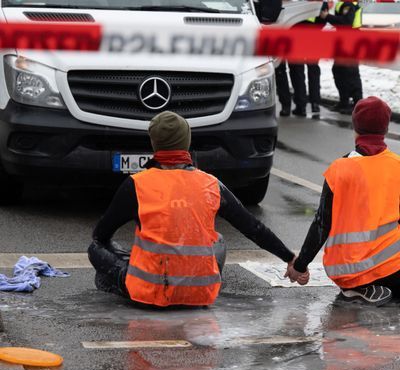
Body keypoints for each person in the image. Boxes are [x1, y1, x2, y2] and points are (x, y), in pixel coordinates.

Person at [88, 111, 295, 307]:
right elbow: (253, 227)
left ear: (154, 144)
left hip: (150, 294)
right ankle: (197, 284)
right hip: (201, 293)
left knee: (96, 249)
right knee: (219, 240)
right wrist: (290, 259)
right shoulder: (210, 184)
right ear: (186, 142)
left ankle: (128, 283)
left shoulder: (137, 184)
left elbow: (101, 234)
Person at [286, 97, 400, 306]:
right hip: (393, 268)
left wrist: (300, 266)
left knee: (361, 277)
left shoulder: (341, 169)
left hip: (350, 270)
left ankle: (358, 289)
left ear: (355, 127)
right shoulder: (397, 165)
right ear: (385, 130)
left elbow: (321, 224)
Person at [319, 0, 363, 114]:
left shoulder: (348, 5)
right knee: (339, 71)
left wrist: (327, 16)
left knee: (350, 73)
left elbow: (346, 22)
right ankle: (344, 102)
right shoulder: (344, 3)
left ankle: (357, 104)